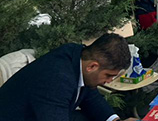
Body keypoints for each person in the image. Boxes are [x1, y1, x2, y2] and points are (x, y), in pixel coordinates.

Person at [0, 33, 136, 121]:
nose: (110, 80)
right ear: (92, 66)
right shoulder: (56, 79)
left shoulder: (78, 55)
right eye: (108, 75)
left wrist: (114, 120)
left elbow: (90, 96)